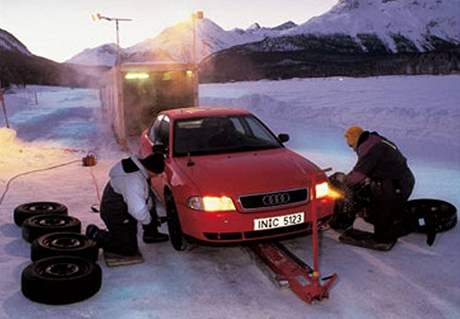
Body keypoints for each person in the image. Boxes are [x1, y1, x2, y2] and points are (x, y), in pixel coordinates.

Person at [86, 153, 169, 266]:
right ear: (151, 170)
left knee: (132, 232)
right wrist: (148, 221)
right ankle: (95, 234)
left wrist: (150, 216)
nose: (156, 177)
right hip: (115, 213)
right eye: (156, 174)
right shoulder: (133, 180)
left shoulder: (138, 170)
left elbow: (145, 197)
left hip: (123, 210)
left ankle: (137, 234)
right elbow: (137, 210)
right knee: (128, 248)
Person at [341, 126, 415, 250]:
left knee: (384, 208)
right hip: (403, 180)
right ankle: (388, 221)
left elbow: (358, 175)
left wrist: (344, 182)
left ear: (355, 140)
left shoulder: (371, 151)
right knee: (379, 199)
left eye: (350, 145)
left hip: (396, 184)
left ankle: (382, 239)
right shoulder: (375, 141)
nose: (352, 149)